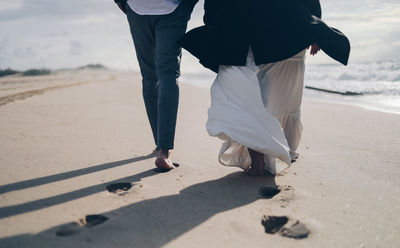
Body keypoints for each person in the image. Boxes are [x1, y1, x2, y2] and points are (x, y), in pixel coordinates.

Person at [181, 0, 350, 175]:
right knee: (258, 100)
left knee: (255, 100)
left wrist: (314, 29)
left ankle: (267, 158)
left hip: (269, 31)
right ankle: (272, 155)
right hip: (266, 32)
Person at [114, 0, 198, 170]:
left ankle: (159, 143)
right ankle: (163, 151)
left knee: (149, 76)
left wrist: (125, 4)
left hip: (138, 8)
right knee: (167, 74)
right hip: (171, 9)